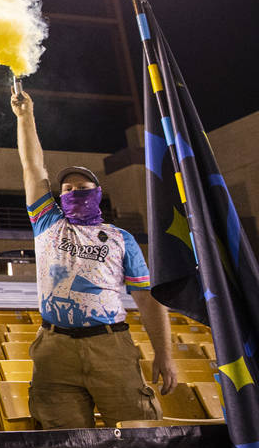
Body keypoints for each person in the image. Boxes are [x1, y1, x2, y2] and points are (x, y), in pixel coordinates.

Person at [12, 88, 177, 429]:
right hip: (55, 348)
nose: (73, 191)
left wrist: (165, 353)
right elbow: (33, 166)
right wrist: (26, 117)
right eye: (67, 189)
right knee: (64, 440)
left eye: (82, 187)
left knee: (137, 430)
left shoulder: (121, 239)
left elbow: (147, 298)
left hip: (111, 346)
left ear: (98, 194)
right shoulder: (48, 223)